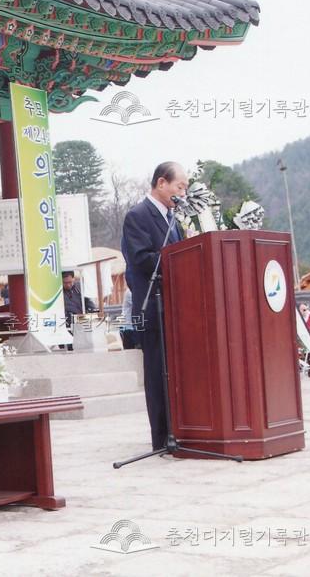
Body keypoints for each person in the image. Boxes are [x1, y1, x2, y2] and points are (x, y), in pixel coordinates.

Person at [120, 161, 188, 451]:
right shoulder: (137, 216)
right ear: (162, 183)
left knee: (178, 373)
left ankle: (182, 429)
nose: (183, 193)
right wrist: (178, 258)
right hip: (152, 308)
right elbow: (141, 259)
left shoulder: (174, 219)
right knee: (158, 372)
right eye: (179, 187)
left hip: (177, 308)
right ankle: (161, 438)